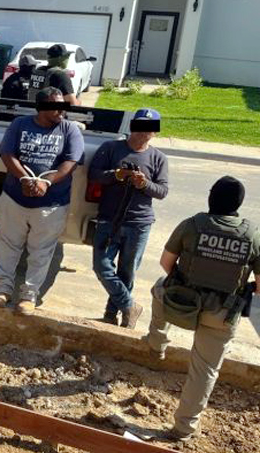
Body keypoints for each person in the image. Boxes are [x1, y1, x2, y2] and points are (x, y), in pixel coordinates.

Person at [144, 176, 260, 442]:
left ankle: (157, 343)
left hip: (181, 305)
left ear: (211, 198)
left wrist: (186, 280)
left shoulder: (192, 225)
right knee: (205, 370)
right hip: (222, 315)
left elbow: (166, 264)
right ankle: (184, 429)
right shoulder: (253, 235)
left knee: (159, 286)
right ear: (238, 204)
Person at [0, 87, 85, 314]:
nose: (62, 111)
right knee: (7, 246)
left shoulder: (69, 129)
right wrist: (24, 178)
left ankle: (28, 296)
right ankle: (2, 289)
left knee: (41, 252)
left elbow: (71, 163)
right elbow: (7, 154)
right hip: (14, 198)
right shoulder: (19, 124)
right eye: (56, 106)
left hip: (51, 205)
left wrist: (47, 182)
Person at [88, 108, 169, 328]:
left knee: (127, 271)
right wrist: (117, 175)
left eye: (149, 128)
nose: (144, 132)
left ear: (155, 132)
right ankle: (130, 306)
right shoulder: (111, 148)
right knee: (101, 266)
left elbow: (162, 191)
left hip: (139, 223)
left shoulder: (158, 158)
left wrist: (144, 184)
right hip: (109, 219)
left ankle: (113, 315)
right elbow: (94, 174)